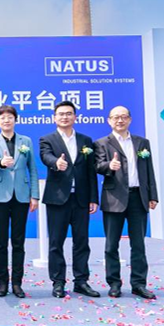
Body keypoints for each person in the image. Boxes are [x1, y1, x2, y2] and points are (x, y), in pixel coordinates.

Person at [95, 106, 159, 300]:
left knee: (138, 244)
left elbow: (149, 170)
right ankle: (114, 284)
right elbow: (97, 165)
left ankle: (139, 284)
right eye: (115, 117)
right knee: (111, 245)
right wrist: (109, 166)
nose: (120, 120)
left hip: (138, 197)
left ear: (130, 119)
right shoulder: (101, 143)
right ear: (109, 121)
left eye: (123, 117)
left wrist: (153, 195)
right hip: (113, 198)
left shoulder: (142, 143)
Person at [39, 101, 101, 299]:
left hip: (81, 199)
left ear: (75, 117)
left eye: (68, 113)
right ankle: (58, 282)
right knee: (56, 242)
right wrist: (56, 163)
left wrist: (93, 198)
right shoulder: (47, 139)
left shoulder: (85, 140)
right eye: (61, 114)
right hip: (58, 198)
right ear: (54, 118)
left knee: (81, 242)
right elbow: (46, 156)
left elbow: (91, 171)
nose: (64, 117)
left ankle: (81, 281)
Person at [0, 105, 39, 298]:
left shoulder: (26, 141)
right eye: (2, 118)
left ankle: (17, 283)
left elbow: (32, 169)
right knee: (1, 242)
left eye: (10, 117)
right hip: (0, 195)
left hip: (21, 196)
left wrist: (34, 195)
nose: (6, 120)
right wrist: (1, 162)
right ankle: (2, 283)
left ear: (16, 120)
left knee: (18, 242)